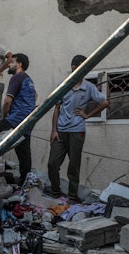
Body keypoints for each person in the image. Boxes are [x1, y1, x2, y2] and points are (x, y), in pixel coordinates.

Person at [46, 54, 110, 200]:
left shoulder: (88, 87)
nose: (85, 70)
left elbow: (105, 103)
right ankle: (56, 193)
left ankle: (72, 196)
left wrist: (87, 114)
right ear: (73, 68)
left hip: (77, 131)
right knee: (52, 163)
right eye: (82, 67)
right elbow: (57, 108)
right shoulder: (62, 86)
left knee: (74, 166)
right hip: (60, 132)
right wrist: (53, 130)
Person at [0, 53, 36, 185]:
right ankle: (25, 182)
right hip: (28, 121)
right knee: (24, 152)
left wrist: (4, 117)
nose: (9, 64)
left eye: (12, 62)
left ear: (19, 64)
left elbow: (7, 101)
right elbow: (35, 96)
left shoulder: (17, 77)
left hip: (15, 119)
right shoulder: (29, 80)